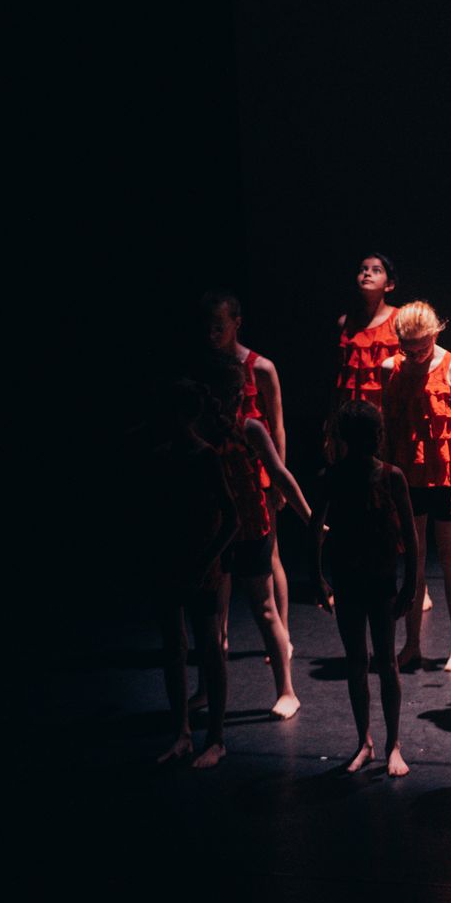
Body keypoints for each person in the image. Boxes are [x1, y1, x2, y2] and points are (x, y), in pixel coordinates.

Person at [192, 353, 316, 718]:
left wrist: (310, 519)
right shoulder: (199, 432)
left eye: (234, 395)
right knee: (214, 617)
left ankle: (287, 690)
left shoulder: (251, 429)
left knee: (264, 608)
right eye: (221, 395)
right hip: (214, 533)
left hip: (250, 529)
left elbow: (280, 476)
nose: (228, 402)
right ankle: (205, 687)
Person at [138, 379, 238, 768]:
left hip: (200, 564)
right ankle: (181, 733)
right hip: (168, 560)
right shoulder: (160, 456)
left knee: (208, 647)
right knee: (173, 647)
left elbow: (232, 518)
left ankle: (216, 738)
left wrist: (208, 560)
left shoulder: (206, 456)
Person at [315, 399, 417, 776]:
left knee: (386, 661)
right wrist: (317, 577)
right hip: (348, 579)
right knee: (357, 660)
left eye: (376, 434)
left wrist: (411, 584)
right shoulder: (332, 477)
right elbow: (315, 530)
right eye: (367, 436)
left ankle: (393, 744)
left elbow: (411, 535)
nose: (374, 441)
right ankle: (365, 741)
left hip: (381, 579)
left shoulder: (392, 476)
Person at [379, 300, 451, 671]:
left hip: (444, 474)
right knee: (413, 562)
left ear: (435, 334)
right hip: (407, 476)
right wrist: (385, 477)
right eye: (409, 349)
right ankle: (413, 643)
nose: (416, 355)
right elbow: (388, 426)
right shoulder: (391, 368)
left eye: (422, 347)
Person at [203, 291, 294, 645]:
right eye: (208, 327)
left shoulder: (260, 367)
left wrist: (279, 479)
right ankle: (220, 636)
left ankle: (282, 636)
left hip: (258, 474)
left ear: (236, 324)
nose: (212, 334)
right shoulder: (207, 368)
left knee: (271, 553)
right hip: (219, 471)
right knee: (221, 558)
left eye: (219, 327)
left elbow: (278, 426)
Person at [336, 253, 400, 407]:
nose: (367, 273)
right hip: (352, 407)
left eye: (376, 270)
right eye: (363, 270)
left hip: (387, 406)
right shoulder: (346, 322)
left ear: (389, 285)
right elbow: (341, 373)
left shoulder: (399, 320)